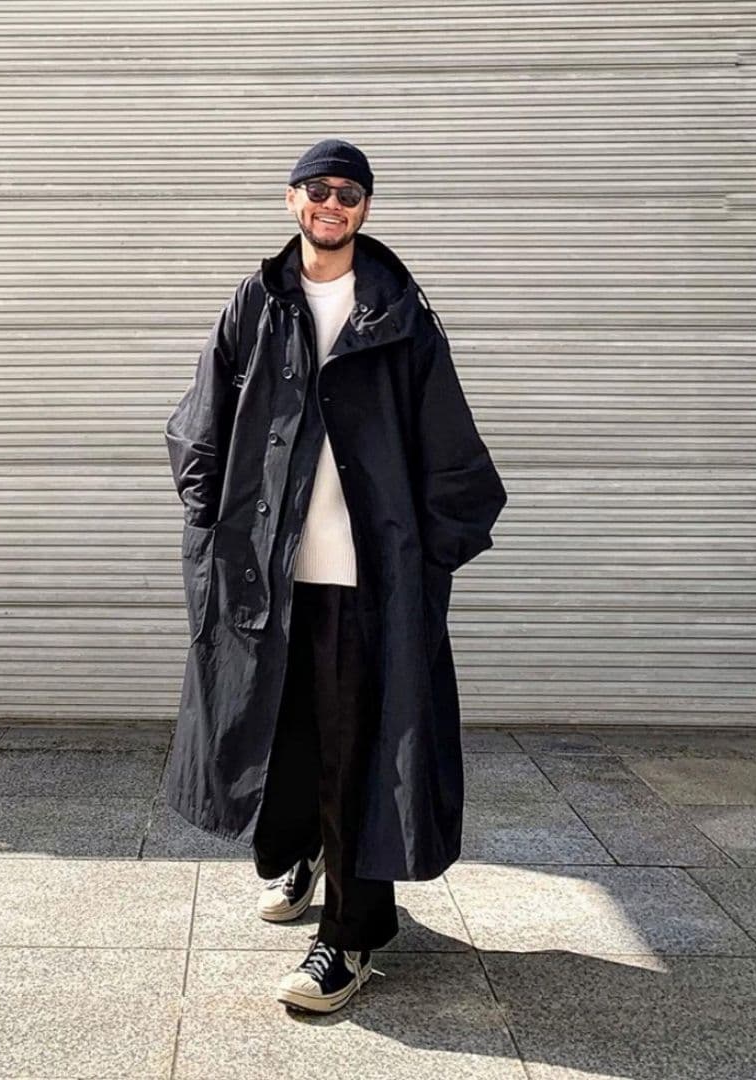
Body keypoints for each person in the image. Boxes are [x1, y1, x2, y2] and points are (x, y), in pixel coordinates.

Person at [163, 138, 508, 1015]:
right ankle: (304, 851)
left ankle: (349, 938)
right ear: (291, 200)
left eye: (348, 193)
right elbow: (198, 424)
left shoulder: (398, 311)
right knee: (282, 734)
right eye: (317, 189)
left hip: (365, 581)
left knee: (359, 753)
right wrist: (211, 527)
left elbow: (453, 453)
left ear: (364, 208)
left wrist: (427, 558)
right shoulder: (258, 300)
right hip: (267, 580)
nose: (331, 203)